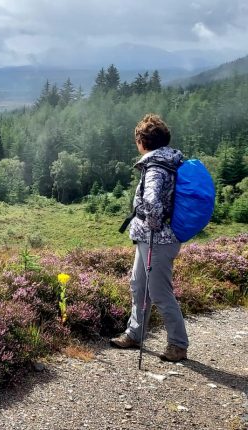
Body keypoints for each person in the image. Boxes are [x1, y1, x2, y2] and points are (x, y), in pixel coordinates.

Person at [110, 113, 188, 362]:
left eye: (137, 139)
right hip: (151, 239)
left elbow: (153, 203)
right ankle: (134, 333)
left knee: (159, 292)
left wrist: (151, 224)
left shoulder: (155, 168)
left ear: (143, 141)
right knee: (139, 285)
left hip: (158, 240)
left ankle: (177, 344)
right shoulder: (168, 161)